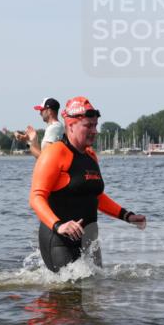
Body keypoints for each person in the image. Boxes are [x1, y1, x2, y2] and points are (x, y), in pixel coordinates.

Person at [29, 97, 146, 272]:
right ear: (70, 126)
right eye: (88, 126)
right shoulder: (54, 154)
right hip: (60, 239)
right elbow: (36, 197)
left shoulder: (90, 155)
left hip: (89, 240)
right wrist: (59, 225)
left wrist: (127, 216)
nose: (94, 131)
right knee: (69, 294)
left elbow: (96, 196)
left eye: (95, 125)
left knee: (94, 293)